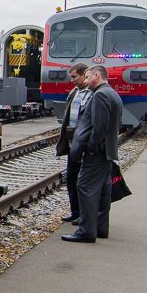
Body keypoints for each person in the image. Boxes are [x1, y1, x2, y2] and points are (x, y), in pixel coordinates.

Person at [63, 65, 123, 243]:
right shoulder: (112, 93)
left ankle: (86, 231)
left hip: (96, 153)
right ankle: (100, 227)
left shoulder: (100, 95)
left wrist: (91, 148)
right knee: (104, 189)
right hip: (107, 151)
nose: (86, 80)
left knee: (85, 187)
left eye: (88, 77)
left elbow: (99, 126)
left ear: (97, 75)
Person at [56, 63, 91, 225]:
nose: (72, 81)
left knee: (84, 182)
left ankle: (85, 214)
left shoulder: (93, 94)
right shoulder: (74, 93)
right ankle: (75, 211)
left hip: (84, 144)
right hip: (72, 144)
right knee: (71, 179)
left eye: (74, 77)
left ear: (85, 75)